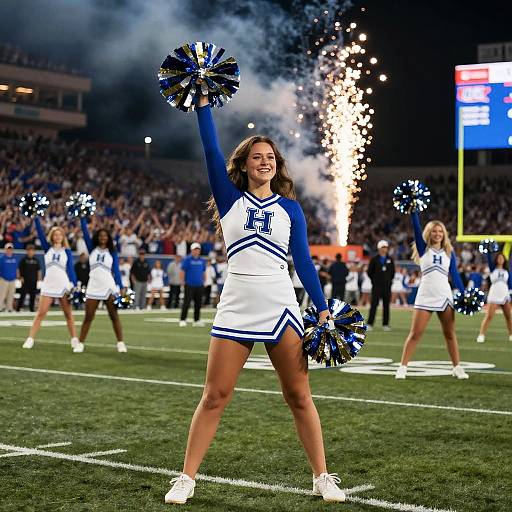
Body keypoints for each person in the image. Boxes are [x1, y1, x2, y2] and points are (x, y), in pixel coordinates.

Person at [164, 93, 345, 504]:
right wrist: (203, 104)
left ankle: (322, 476)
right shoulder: (229, 200)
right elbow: (211, 148)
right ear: (244, 164)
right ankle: (186, 478)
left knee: (299, 396)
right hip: (237, 305)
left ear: (277, 166)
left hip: (282, 305)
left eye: (271, 158)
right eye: (257, 157)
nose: (265, 162)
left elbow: (304, 263)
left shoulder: (291, 210)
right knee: (214, 396)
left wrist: (320, 309)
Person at [395, 213, 468, 380]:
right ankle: (403, 367)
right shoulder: (423, 249)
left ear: (444, 234)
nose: (437, 234)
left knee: (450, 333)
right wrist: (414, 211)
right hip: (426, 295)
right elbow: (416, 228)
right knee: (415, 333)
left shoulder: (450, 252)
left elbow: (455, 275)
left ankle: (457, 367)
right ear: (429, 233)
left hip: (444, 295)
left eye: (440, 231)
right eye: (434, 231)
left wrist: (464, 294)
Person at [73, 217, 127, 353]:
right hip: (93, 286)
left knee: (114, 315)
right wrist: (82, 217)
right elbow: (85, 232)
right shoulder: (92, 249)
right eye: (101, 235)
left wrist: (120, 286)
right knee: (88, 316)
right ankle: (80, 343)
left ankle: (120, 343)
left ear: (108, 238)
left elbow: (116, 270)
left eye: (105, 236)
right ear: (97, 237)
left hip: (109, 286)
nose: (103, 237)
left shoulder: (112, 252)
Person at [22, 220, 79, 350]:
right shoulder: (47, 248)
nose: (57, 237)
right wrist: (36, 218)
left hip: (63, 284)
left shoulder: (67, 251)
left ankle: (74, 339)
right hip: (49, 284)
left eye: (60, 234)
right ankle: (30, 339)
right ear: (52, 237)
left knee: (68, 314)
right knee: (41, 313)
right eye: (55, 234)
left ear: (63, 236)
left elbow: (70, 270)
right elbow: (40, 233)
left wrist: (74, 285)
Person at [476, 252, 512, 343]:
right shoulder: (493, 269)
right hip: (494, 294)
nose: (500, 259)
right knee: (489, 316)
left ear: (504, 260)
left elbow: (510, 283)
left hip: (504, 295)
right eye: (499, 258)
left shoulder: (507, 270)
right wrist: (488, 249)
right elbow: (488, 258)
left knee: (508, 317)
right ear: (496, 260)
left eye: (502, 258)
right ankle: (481, 335)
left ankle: (511, 334)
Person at [367, 240, 394, 331]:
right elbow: (369, 272)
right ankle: (370, 324)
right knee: (374, 305)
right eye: (383, 247)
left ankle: (385, 324)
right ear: (379, 248)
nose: (384, 249)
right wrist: (375, 280)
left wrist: (388, 281)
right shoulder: (374, 259)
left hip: (387, 286)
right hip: (377, 286)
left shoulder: (390, 259)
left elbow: (392, 272)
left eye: (385, 247)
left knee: (386, 305)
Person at [179, 242, 206, 327]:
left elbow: (203, 272)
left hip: (199, 285)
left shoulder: (202, 260)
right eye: (195, 249)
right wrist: (182, 282)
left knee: (198, 303)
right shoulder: (187, 259)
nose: (196, 251)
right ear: (191, 250)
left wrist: (204, 281)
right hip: (189, 284)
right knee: (186, 303)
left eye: (198, 249)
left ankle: (196, 320)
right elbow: (182, 271)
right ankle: (183, 319)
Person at [17, 244, 41, 312]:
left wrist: (39, 278)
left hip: (34, 280)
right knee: (23, 295)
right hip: (25, 280)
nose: (30, 252)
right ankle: (19, 308)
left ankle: (31, 308)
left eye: (32, 250)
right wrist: (20, 277)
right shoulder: (23, 260)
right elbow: (19, 269)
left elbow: (39, 270)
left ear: (34, 252)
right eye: (29, 250)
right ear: (27, 251)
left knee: (33, 295)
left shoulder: (36, 260)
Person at [0, 243, 18, 312]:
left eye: (10, 249)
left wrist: (17, 276)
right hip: (3, 279)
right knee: (2, 295)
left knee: (11, 295)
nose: (9, 250)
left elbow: (16, 269)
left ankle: (9, 308)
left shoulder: (15, 258)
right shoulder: (2, 258)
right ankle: (0, 307)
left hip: (12, 280)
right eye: (8, 249)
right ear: (5, 250)